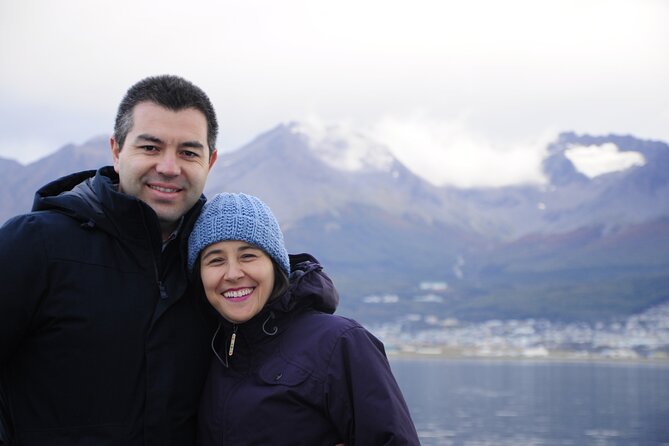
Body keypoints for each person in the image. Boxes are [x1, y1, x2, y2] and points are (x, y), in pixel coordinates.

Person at [0, 75, 220, 445]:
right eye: (150, 147)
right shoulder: (35, 245)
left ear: (210, 162)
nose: (169, 167)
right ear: (117, 151)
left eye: (188, 152)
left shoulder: (216, 266)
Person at [187, 193, 421, 445]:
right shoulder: (203, 353)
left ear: (275, 265)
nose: (232, 274)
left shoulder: (340, 343)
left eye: (248, 256)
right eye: (216, 260)